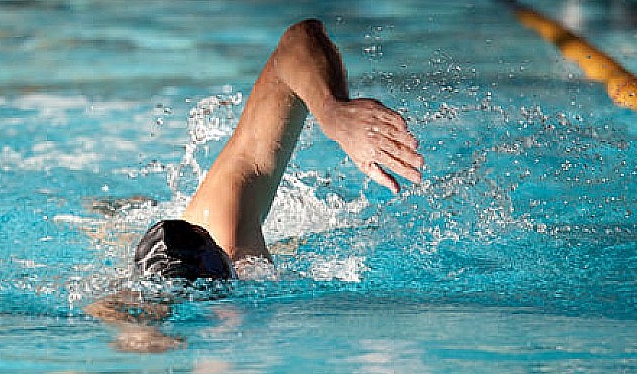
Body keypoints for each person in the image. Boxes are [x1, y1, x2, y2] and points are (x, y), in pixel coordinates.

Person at [87, 19, 424, 350]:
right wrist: (138, 332)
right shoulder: (152, 291)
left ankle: (115, 213)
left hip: (180, 229)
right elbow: (115, 308)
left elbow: (299, 39)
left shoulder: (227, 230)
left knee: (117, 225)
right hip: (147, 278)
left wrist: (331, 110)